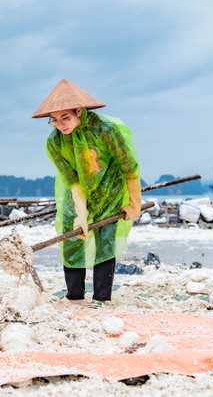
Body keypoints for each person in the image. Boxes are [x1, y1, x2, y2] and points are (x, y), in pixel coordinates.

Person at [33, 79, 141, 308]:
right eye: (54, 120)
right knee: (71, 235)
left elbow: (129, 168)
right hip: (80, 192)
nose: (61, 125)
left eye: (66, 117)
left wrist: (134, 202)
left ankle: (101, 297)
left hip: (109, 188)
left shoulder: (106, 130)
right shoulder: (54, 142)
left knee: (105, 240)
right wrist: (80, 214)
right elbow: (72, 181)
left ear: (79, 111)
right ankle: (75, 295)